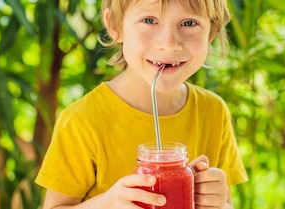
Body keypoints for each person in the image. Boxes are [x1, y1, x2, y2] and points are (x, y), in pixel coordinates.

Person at [35, 0, 248, 208]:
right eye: (149, 20)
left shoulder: (213, 112)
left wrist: (218, 202)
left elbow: (226, 202)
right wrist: (106, 204)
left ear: (211, 32)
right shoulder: (82, 120)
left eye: (189, 23)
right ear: (115, 26)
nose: (169, 44)